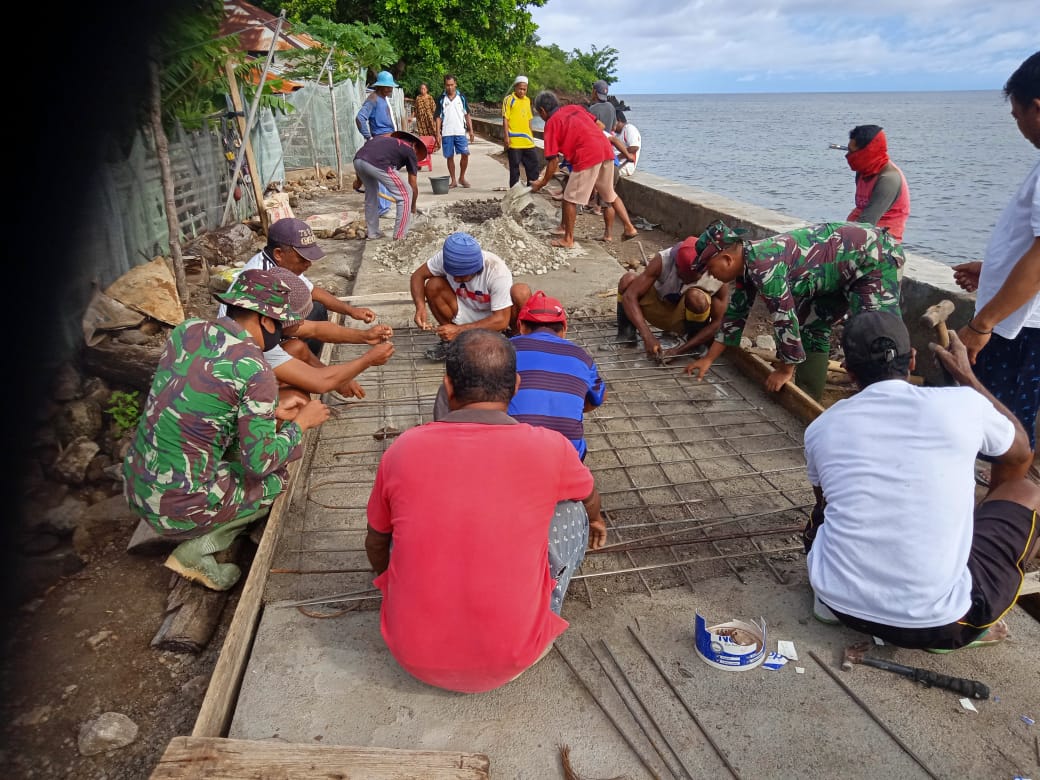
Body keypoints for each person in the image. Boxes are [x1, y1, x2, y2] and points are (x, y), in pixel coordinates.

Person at [364, 329, 606, 693]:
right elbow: (589, 496)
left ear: (447, 387)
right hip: (513, 656)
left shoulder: (403, 448)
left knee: (401, 518)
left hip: (411, 653)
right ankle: (542, 609)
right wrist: (596, 519)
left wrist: (395, 583)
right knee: (572, 509)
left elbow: (376, 542)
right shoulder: (550, 448)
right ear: (516, 386)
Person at [802, 311, 1039, 651]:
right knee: (1027, 491)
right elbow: (1020, 451)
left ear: (849, 371)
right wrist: (968, 378)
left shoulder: (822, 428)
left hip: (839, 601)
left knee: (828, 504)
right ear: (912, 359)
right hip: (943, 625)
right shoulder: (963, 403)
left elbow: (824, 502)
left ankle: (828, 603)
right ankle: (969, 616)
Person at [123, 269, 332, 591]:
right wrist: (301, 423)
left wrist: (271, 411)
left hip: (136, 484)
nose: (283, 332)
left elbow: (203, 401)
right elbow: (260, 463)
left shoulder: (188, 330)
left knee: (239, 445)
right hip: (176, 508)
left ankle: (198, 508)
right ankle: (197, 549)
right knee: (276, 478)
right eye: (281, 325)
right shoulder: (255, 369)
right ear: (265, 320)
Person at [684, 220, 905, 400]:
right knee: (811, 325)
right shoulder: (746, 267)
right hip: (836, 271)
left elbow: (784, 318)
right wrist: (708, 359)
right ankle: (809, 397)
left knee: (876, 336)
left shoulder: (764, 267)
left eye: (710, 269)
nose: (710, 276)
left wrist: (785, 370)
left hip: (873, 257)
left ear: (727, 259)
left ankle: (891, 401)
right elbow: (735, 316)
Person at [952, 51, 1040, 482]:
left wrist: (982, 323)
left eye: (1017, 114)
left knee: (1008, 434)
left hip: (1019, 329)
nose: (1017, 124)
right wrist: (994, 270)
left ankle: (1001, 516)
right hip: (1018, 321)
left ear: (1036, 107)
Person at [219, 218, 393, 354]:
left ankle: (309, 366)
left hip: (263, 334)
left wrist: (351, 311)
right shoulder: (264, 279)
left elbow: (312, 292)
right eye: (302, 259)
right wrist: (364, 340)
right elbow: (313, 329)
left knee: (316, 309)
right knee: (298, 348)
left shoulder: (281, 266)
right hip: (242, 348)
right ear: (279, 253)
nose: (308, 264)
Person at [264, 267, 395, 402]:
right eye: (297, 319)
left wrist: (365, 336)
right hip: (250, 399)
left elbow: (316, 329)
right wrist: (368, 360)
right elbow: (320, 382)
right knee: (297, 399)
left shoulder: (265, 322)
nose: (302, 322)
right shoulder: (255, 344)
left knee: (296, 346)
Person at [529, 91, 638, 248]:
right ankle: (629, 227)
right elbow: (600, 126)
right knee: (609, 194)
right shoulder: (575, 108)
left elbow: (553, 161)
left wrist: (541, 183)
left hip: (587, 155)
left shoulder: (551, 124)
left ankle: (568, 239)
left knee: (569, 198)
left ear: (542, 111)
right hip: (605, 150)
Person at [509, 291, 605, 459]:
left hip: (512, 452)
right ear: (564, 330)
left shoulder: (503, 348)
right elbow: (599, 398)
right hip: (568, 457)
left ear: (521, 327)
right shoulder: (581, 356)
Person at [410, 232, 531, 359]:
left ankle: (514, 340)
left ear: (475, 269)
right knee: (433, 285)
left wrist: (459, 330)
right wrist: (420, 307)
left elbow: (501, 320)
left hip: (494, 316)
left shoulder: (496, 271)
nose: (456, 280)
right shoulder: (447, 258)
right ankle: (452, 341)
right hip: (464, 309)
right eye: (453, 274)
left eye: (461, 276)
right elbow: (418, 276)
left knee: (521, 292)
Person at [617, 235, 729, 362]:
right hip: (657, 310)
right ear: (677, 265)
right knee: (628, 280)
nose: (686, 281)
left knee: (697, 298)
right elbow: (629, 297)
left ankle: (694, 345)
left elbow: (718, 323)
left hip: (683, 322)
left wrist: (678, 351)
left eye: (693, 278)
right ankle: (627, 335)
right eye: (683, 275)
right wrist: (647, 336)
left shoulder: (718, 275)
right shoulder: (663, 260)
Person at [353, 130, 427, 241]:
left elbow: (364, 156)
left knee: (371, 194)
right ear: (415, 145)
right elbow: (413, 185)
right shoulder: (410, 149)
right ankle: (399, 237)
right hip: (379, 164)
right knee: (405, 194)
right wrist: (413, 206)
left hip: (358, 161)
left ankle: (373, 233)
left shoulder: (384, 140)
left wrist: (358, 182)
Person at [842, 125, 911, 242]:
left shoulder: (888, 179)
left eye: (852, 152)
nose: (848, 156)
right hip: (860, 234)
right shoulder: (863, 171)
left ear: (868, 152)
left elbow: (866, 223)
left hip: (883, 242)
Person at [434, 74, 475, 189]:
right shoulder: (441, 99)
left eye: (452, 85)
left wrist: (471, 130)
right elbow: (438, 117)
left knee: (465, 154)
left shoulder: (461, 97)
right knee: (449, 156)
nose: (450, 87)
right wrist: (438, 133)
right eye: (448, 85)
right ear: (445, 85)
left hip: (460, 131)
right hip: (447, 132)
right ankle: (453, 180)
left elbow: (467, 114)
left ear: (455, 84)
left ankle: (462, 177)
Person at [502, 75, 540, 188]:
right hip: (514, 140)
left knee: (533, 164)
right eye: (520, 89)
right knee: (514, 167)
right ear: (515, 87)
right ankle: (514, 189)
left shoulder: (527, 100)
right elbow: (505, 119)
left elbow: (529, 119)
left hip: (527, 140)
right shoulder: (509, 100)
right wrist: (506, 137)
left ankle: (532, 187)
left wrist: (531, 135)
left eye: (524, 89)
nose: (522, 91)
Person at [355, 71, 399, 141]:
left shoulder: (384, 98)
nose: (390, 89)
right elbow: (360, 118)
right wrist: (369, 137)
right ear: (380, 86)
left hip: (389, 137)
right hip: (381, 138)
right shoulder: (373, 98)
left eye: (391, 87)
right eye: (387, 87)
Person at [613, 111, 641, 177]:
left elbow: (634, 147)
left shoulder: (629, 128)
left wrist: (618, 157)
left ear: (619, 120)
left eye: (613, 122)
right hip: (615, 163)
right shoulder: (617, 134)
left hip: (625, 164)